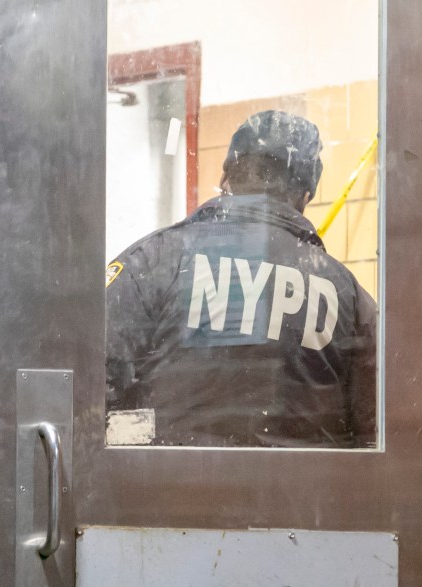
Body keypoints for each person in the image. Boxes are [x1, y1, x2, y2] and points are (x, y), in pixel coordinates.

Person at [105, 110, 377, 448]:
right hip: (303, 499)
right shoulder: (348, 296)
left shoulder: (155, 261)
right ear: (306, 197)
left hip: (168, 493)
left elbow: (89, 383)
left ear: (224, 178)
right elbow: (375, 431)